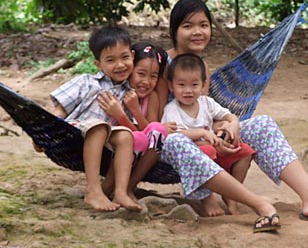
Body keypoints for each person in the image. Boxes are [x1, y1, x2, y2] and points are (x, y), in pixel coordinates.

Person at [155, 0, 308, 223]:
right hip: (166, 146)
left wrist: (226, 128)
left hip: (204, 141)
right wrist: (198, 137)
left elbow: (203, 111)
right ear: (174, 30)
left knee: (262, 125)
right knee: (177, 141)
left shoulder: (201, 67)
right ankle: (255, 203)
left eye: (203, 25)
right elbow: (154, 123)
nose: (197, 32)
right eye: (188, 26)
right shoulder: (161, 64)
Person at [37, 24, 142, 212]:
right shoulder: (87, 81)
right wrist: (46, 132)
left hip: (106, 138)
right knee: (99, 126)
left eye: (125, 57)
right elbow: (60, 110)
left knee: (126, 137)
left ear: (132, 56)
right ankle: (93, 190)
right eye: (110, 60)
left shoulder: (130, 94)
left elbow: (133, 129)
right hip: (75, 131)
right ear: (98, 64)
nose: (120, 65)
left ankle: (120, 191)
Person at [161, 53, 255, 215]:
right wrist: (203, 135)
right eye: (181, 85)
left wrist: (233, 124)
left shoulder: (206, 103)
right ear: (171, 86)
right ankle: (207, 199)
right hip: (191, 158)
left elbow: (228, 115)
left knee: (245, 152)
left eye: (194, 85)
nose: (188, 91)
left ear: (204, 84)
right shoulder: (172, 109)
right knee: (207, 151)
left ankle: (231, 196)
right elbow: (176, 139)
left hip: (215, 150)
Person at [99, 42, 169, 202]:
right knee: (137, 138)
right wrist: (122, 114)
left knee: (157, 130)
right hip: (112, 148)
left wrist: (135, 111)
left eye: (153, 76)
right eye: (141, 74)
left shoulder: (152, 98)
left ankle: (129, 187)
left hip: (141, 151)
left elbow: (150, 132)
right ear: (130, 70)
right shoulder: (119, 92)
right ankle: (108, 187)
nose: (146, 81)